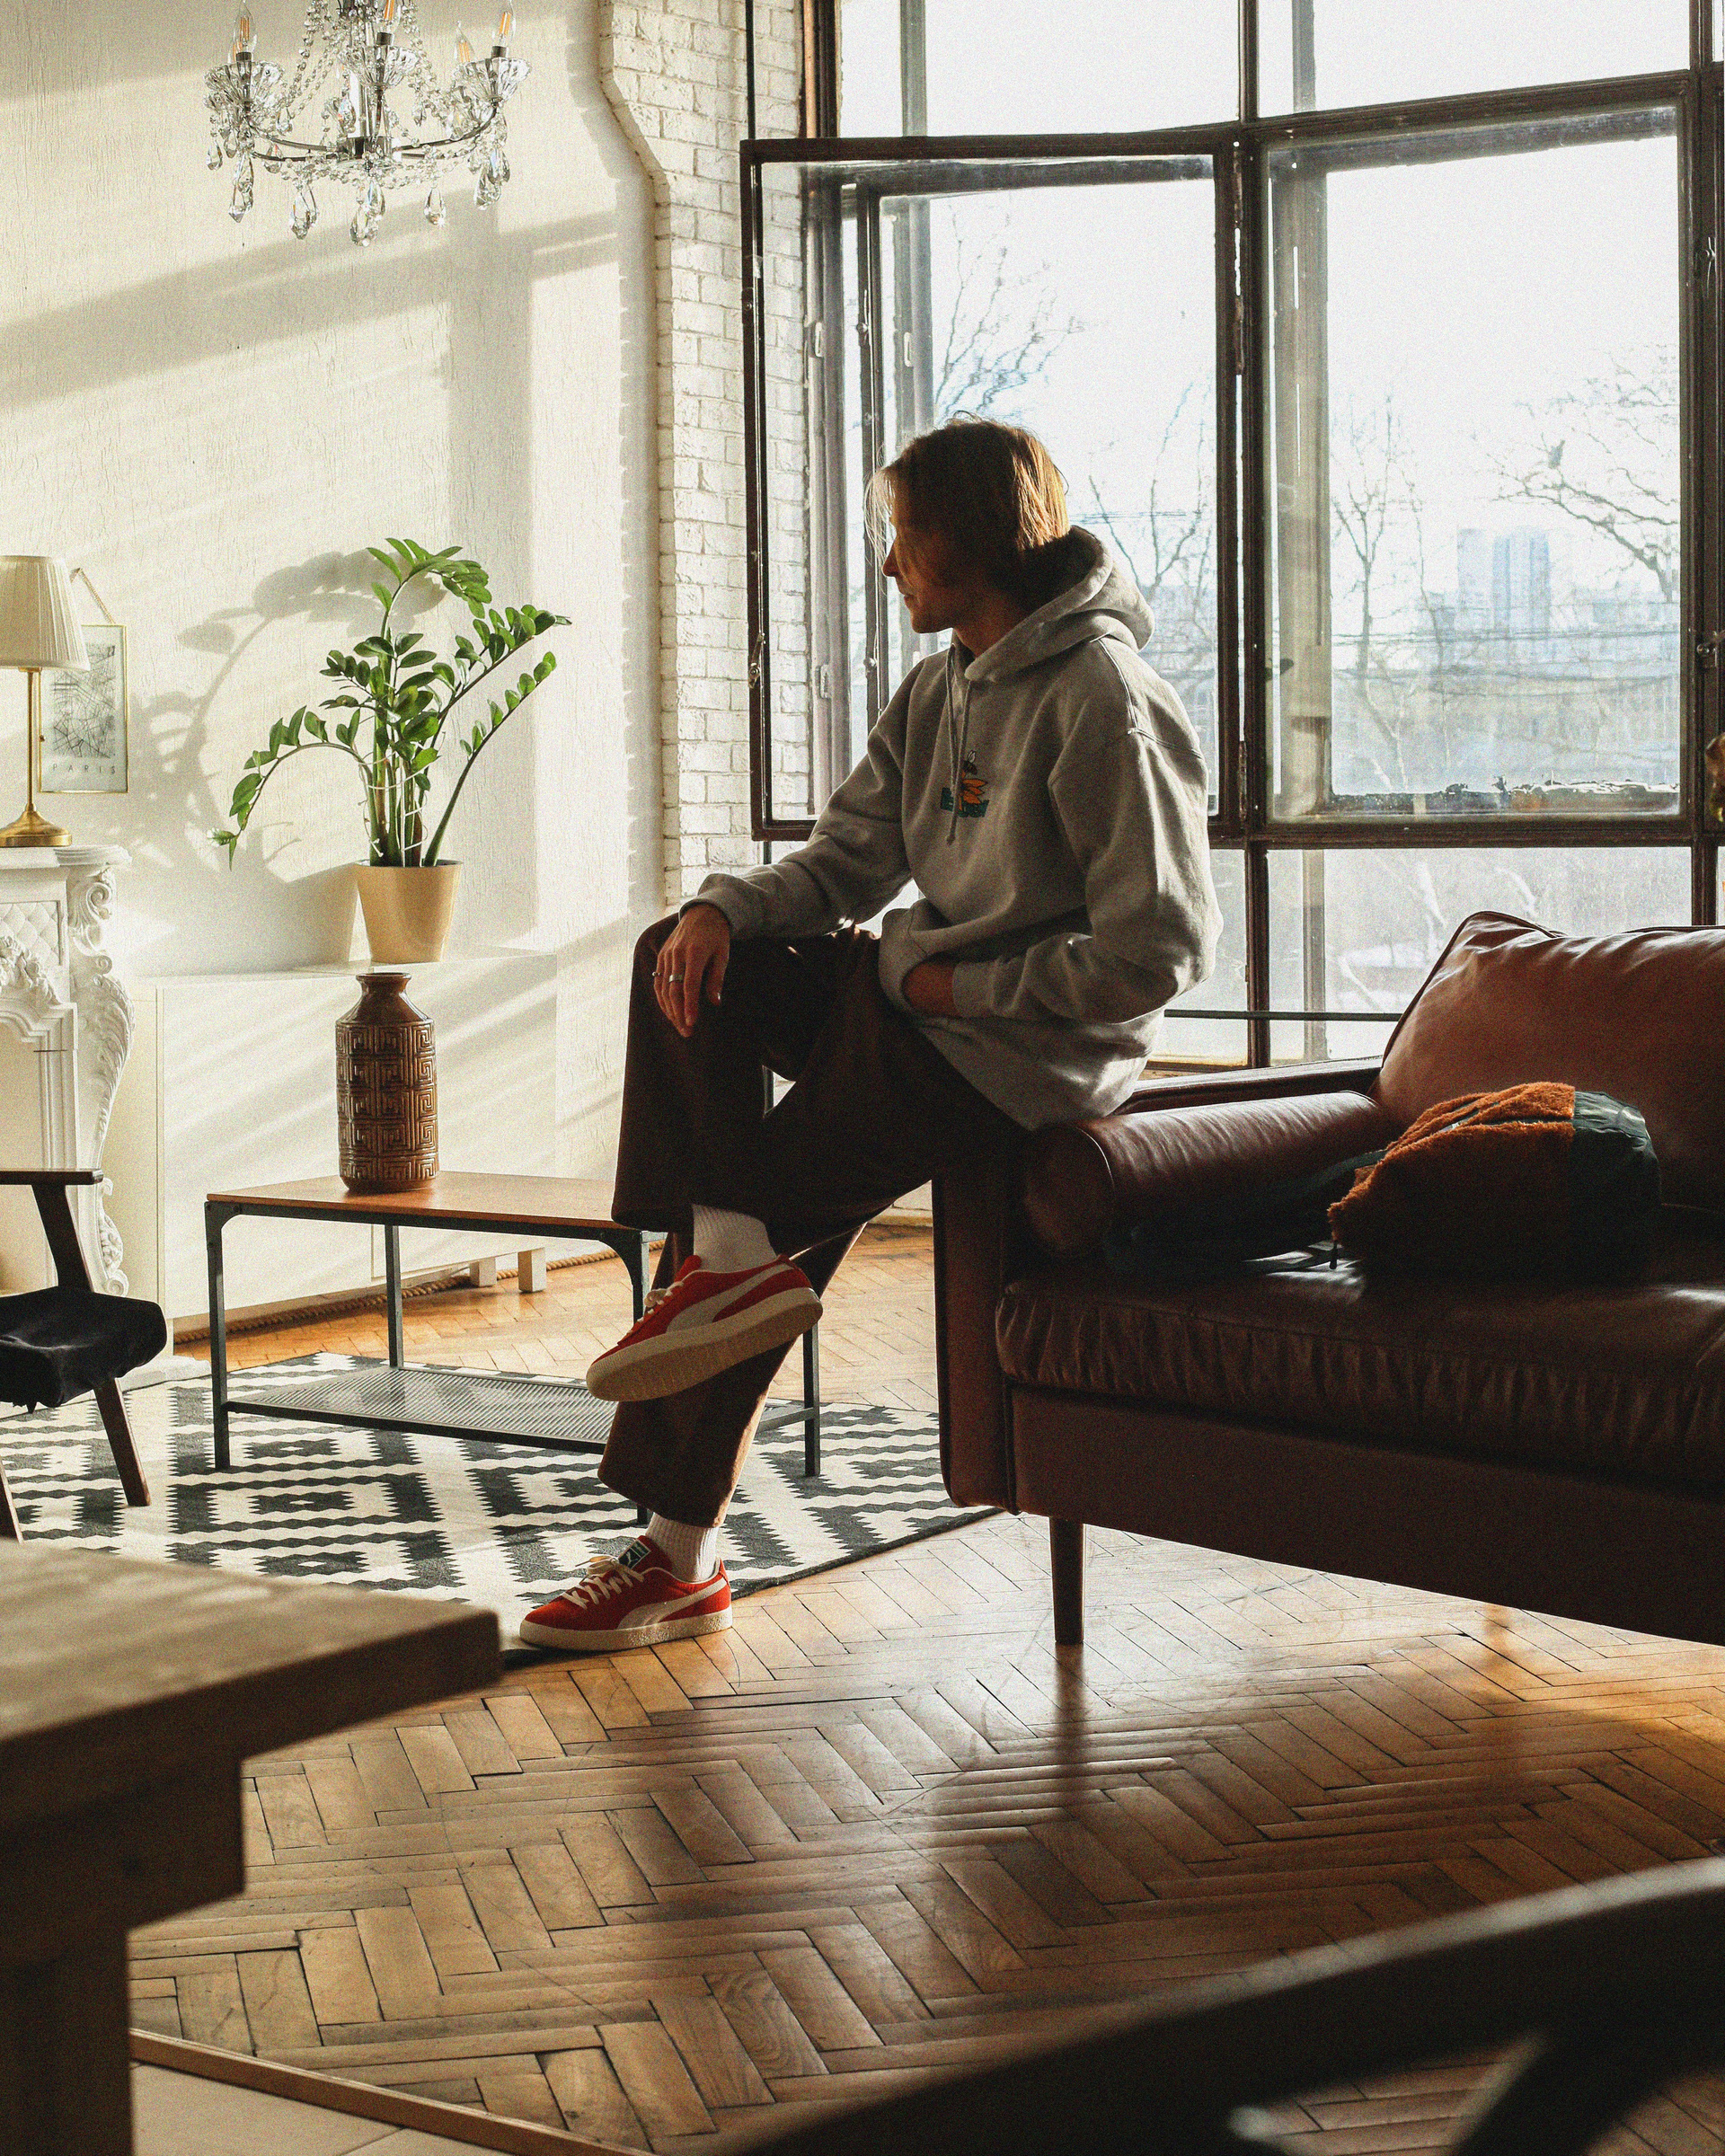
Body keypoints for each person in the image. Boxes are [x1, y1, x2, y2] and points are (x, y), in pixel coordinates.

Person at [519, 417, 1220, 1652]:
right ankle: (723, 1259)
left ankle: (674, 1547)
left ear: (970, 540)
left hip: (1019, 1055)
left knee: (761, 1222)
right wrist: (721, 909)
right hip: (914, 1000)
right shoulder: (943, 685)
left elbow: (1156, 954)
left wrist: (959, 992)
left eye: (903, 534)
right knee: (683, 961)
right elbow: (846, 861)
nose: (889, 561)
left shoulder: (1106, 703)